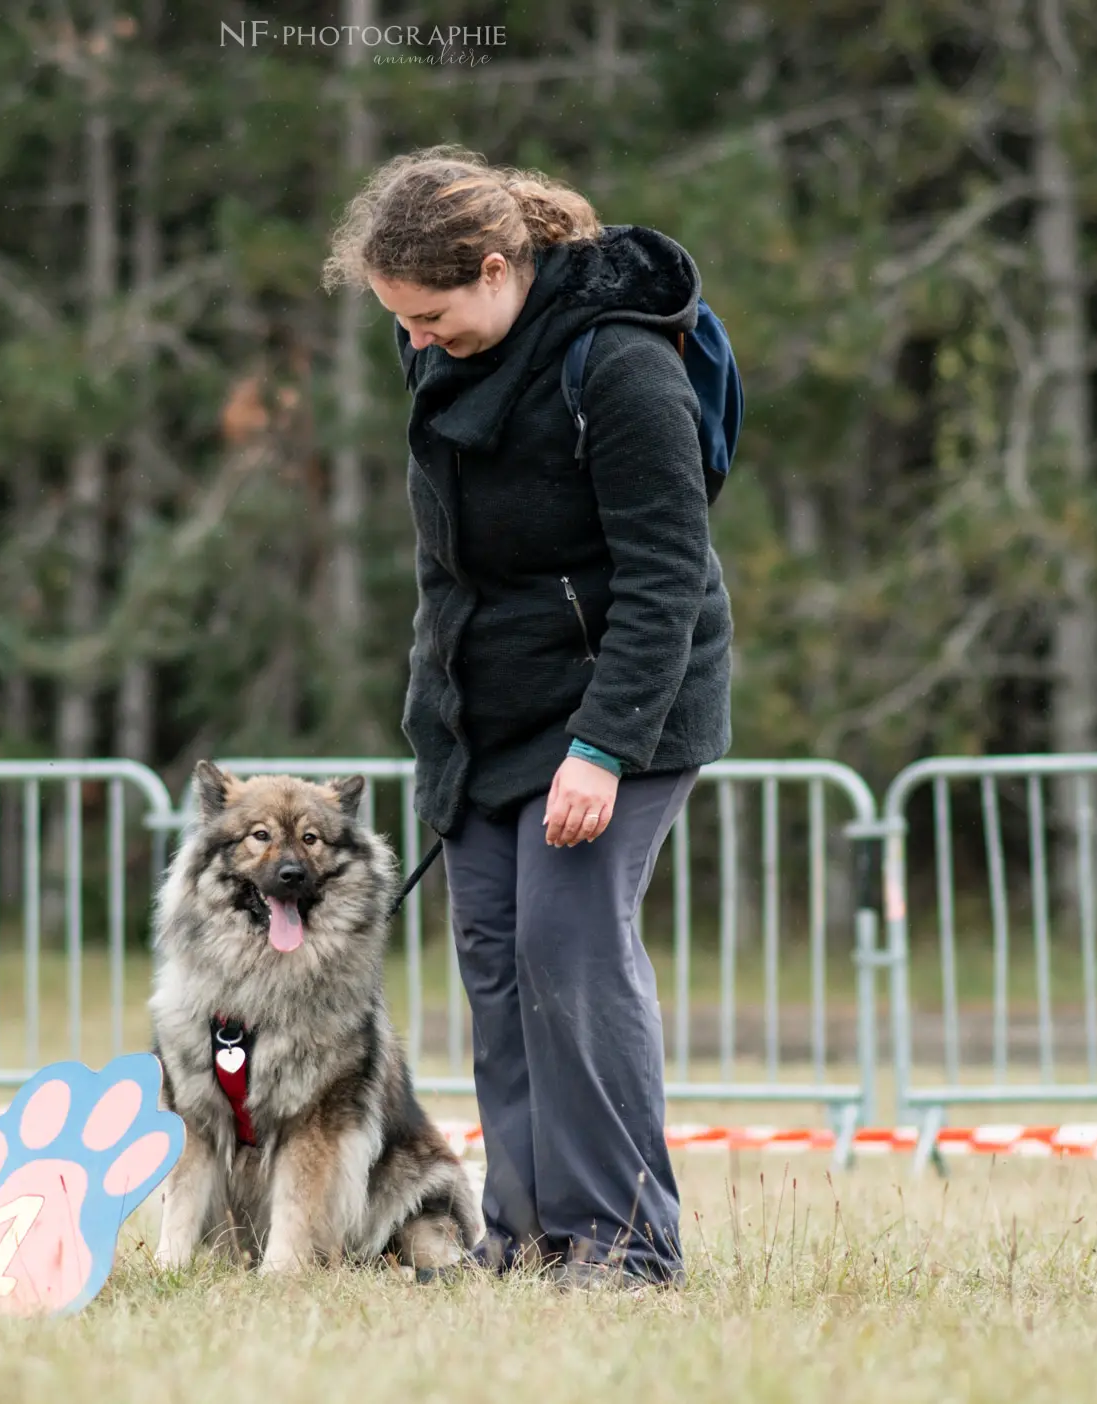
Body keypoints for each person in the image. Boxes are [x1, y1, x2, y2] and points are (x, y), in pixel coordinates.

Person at [320, 145, 733, 1289]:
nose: (412, 339)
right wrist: (436, 730)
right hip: (489, 713)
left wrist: (600, 749)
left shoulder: (619, 368)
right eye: (398, 318)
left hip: (622, 706)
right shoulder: (443, 361)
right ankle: (529, 1235)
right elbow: (447, 576)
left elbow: (665, 576)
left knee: (571, 953)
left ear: (498, 269)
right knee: (496, 963)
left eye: (430, 314)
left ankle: (626, 1245)